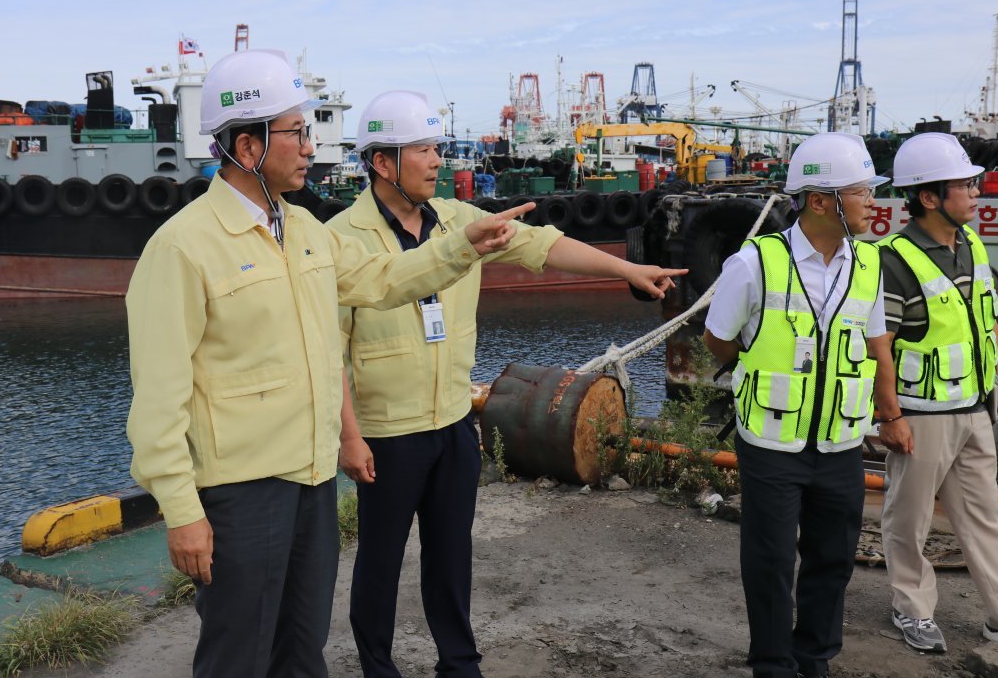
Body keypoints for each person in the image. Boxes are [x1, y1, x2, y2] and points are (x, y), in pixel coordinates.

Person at [124, 51, 532, 678]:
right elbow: (158, 400)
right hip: (240, 491)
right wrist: (183, 512)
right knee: (239, 656)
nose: (311, 147)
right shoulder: (182, 247)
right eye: (296, 132)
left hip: (311, 483)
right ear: (247, 145)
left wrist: (459, 247)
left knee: (302, 653)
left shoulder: (308, 229)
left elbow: (383, 278)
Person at [330, 89, 687, 678]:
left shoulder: (462, 221)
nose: (437, 160)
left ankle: (459, 663)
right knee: (379, 562)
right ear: (382, 162)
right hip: (387, 433)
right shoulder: (342, 237)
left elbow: (545, 247)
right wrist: (350, 437)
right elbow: (332, 351)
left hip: (452, 425)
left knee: (451, 557)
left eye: (435, 147)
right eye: (422, 149)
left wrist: (628, 268)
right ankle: (378, 666)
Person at [703, 131, 899, 678]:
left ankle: (814, 659)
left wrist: (889, 412)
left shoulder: (868, 264)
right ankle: (772, 663)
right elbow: (718, 338)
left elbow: (872, 339)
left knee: (832, 559)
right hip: (771, 441)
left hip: (840, 442)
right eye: (862, 191)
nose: (872, 202)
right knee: (768, 562)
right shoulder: (754, 263)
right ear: (820, 200)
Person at [876, 132, 998, 655]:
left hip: (974, 409)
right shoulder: (894, 259)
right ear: (927, 196)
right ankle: (912, 610)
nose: (976, 193)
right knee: (909, 516)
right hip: (921, 416)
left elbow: (979, 324)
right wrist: (890, 415)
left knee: (984, 514)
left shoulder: (972, 243)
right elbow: (880, 346)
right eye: (965, 184)